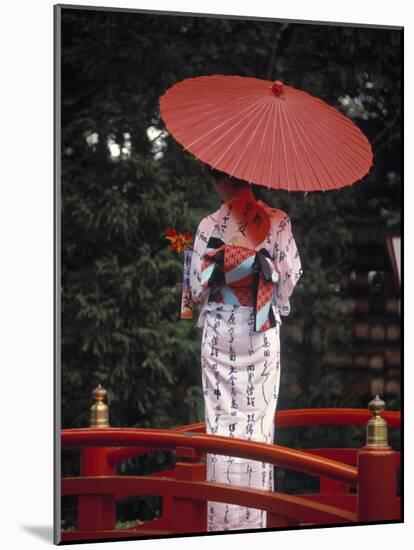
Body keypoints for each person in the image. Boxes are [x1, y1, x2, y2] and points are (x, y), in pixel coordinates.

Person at [189, 166, 303, 532]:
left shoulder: (209, 225)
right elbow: (289, 277)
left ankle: (221, 524)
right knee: (258, 423)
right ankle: (254, 523)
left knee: (221, 425)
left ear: (217, 179)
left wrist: (226, 266)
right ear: (250, 175)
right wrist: (263, 279)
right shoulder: (278, 221)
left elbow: (195, 288)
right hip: (260, 328)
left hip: (221, 332)